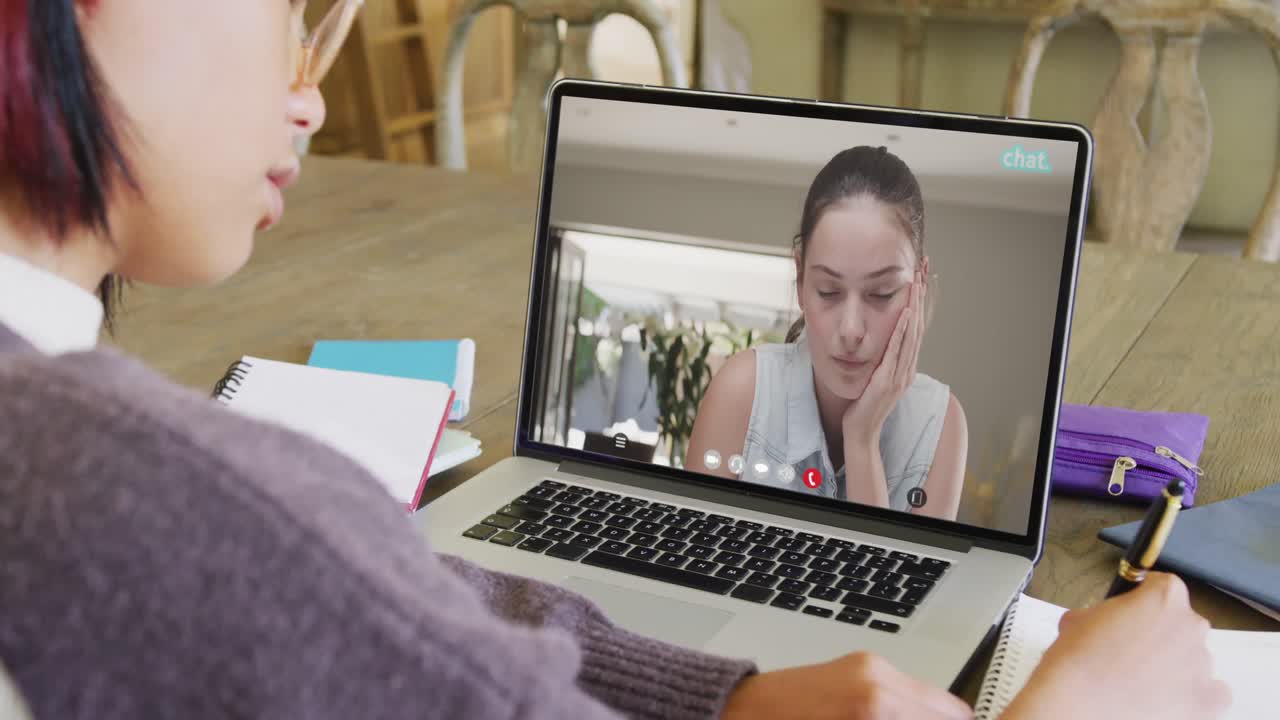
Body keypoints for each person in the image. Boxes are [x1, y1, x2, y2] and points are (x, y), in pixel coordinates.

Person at [0, 2, 1231, 719]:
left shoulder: (122, 468)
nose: (309, 90)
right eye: (284, 8)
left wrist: (729, 697)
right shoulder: (166, 499)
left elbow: (396, 612)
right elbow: (324, 586)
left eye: (882, 292)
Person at [686, 146, 966, 520]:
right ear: (800, 279)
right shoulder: (742, 391)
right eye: (829, 292)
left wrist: (863, 440)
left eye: (881, 294)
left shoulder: (940, 425)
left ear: (919, 284)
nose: (851, 330)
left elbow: (882, 578)